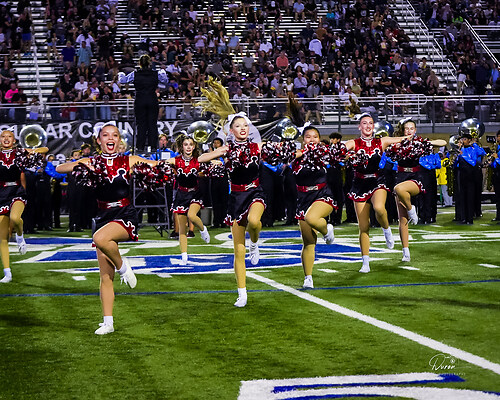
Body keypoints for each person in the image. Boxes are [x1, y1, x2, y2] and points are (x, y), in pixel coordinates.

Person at [56, 122, 158, 335]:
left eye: (115, 135)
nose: (110, 138)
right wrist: (84, 164)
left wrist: (184, 162)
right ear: (99, 140)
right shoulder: (92, 162)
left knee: (100, 238)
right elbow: (59, 169)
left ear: (119, 140)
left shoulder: (129, 160)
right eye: (105, 135)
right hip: (103, 216)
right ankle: (108, 323)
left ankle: (123, 267)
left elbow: (156, 165)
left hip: (125, 214)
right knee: (105, 276)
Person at [198, 113, 266, 307]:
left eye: (245, 125)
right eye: (238, 126)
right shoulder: (226, 149)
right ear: (231, 130)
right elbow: (201, 158)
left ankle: (255, 242)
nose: (243, 128)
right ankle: (242, 293)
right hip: (236, 197)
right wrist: (220, 152)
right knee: (238, 250)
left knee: (254, 221)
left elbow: (283, 151)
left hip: (255, 192)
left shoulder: (257, 147)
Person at [344, 114, 406, 273]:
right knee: (363, 226)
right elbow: (339, 151)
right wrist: (346, 156)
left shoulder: (381, 141)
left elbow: (402, 140)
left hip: (377, 180)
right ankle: (365, 262)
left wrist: (421, 141)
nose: (367, 126)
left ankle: (386, 229)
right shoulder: (353, 143)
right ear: (359, 126)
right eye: (364, 123)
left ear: (373, 126)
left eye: (370, 123)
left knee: (379, 208)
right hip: (359, 184)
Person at [385, 118, 446, 262]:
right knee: (402, 218)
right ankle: (405, 251)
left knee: (399, 189)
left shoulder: (419, 143)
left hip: (416, 176)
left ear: (415, 130)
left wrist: (427, 142)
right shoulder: (397, 142)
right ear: (403, 130)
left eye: (411, 128)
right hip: (401, 175)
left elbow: (443, 142)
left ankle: (412, 209)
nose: (409, 131)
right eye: (406, 128)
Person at [292, 126, 341, 288]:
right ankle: (308, 278)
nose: (312, 139)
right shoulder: (296, 155)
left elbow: (343, 152)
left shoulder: (324, 153)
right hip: (303, 198)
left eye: (315, 136)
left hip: (322, 194)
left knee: (311, 218)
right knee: (308, 242)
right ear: (302, 140)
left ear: (319, 139)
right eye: (308, 136)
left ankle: (327, 230)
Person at [0, 130, 46, 283]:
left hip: (17, 191)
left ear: (14, 140)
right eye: (3, 136)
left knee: (15, 218)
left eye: (9, 136)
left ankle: (20, 236)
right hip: (1, 194)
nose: (6, 139)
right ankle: (7, 273)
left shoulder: (19, 153)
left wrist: (29, 151)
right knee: (2, 237)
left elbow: (45, 149)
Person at [167, 134, 211, 265]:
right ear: (181, 146)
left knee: (191, 215)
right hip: (181, 195)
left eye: (191, 145)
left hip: (195, 193)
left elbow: (214, 159)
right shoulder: (175, 160)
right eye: (186, 144)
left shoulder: (198, 159)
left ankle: (203, 229)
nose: (188, 147)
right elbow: (159, 164)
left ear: (194, 147)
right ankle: (184, 256)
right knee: (182, 229)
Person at [118, 55, 168, 151]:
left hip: (140, 100)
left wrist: (120, 73)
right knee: (152, 124)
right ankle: (153, 147)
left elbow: (123, 81)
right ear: (149, 63)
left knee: (141, 124)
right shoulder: (156, 73)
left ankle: (140, 147)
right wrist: (163, 72)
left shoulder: (135, 74)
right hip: (152, 100)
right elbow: (165, 81)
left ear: (140, 63)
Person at [491, 130, 500, 223]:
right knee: (498, 197)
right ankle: (498, 216)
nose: (498, 138)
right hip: (497, 175)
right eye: (498, 136)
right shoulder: (497, 148)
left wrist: (497, 159)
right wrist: (491, 163)